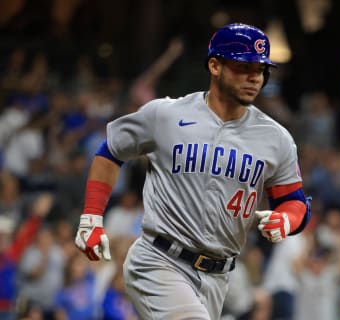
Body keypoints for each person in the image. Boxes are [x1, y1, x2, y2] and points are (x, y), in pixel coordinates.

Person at [74, 23, 311, 320]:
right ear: (215, 65)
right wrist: (91, 217)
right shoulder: (166, 114)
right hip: (159, 260)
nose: (255, 77)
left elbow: (294, 201)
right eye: (244, 66)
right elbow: (111, 150)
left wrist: (286, 220)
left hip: (219, 275)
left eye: (261, 69)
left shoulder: (276, 138)